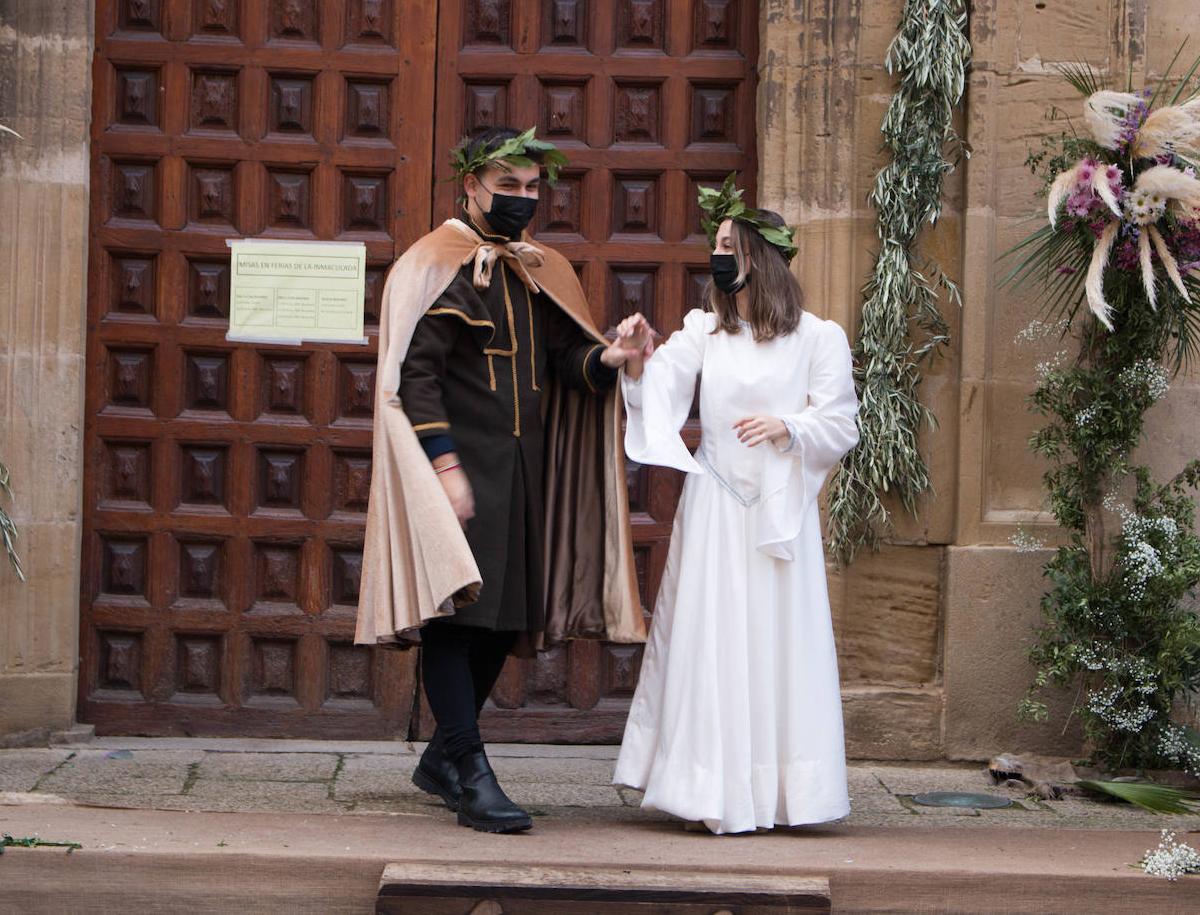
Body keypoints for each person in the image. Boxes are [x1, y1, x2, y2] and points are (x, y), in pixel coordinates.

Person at [356, 126, 645, 834]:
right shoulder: (437, 263)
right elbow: (413, 381)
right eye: (505, 186)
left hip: (522, 477)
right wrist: (445, 472)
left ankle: (439, 760)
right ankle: (473, 774)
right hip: (458, 474)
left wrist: (609, 357)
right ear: (471, 186)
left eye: (529, 188)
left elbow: (564, 362)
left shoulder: (535, 266)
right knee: (454, 625)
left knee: (502, 623)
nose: (520, 199)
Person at [611, 176, 859, 834]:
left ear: (761, 256)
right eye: (715, 244)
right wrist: (636, 364)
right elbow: (658, 392)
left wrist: (791, 427)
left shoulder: (818, 338)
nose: (718, 255)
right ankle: (705, 789)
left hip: (779, 512)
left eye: (729, 244)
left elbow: (841, 423)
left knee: (781, 643)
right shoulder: (703, 333)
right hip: (717, 507)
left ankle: (782, 794)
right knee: (710, 640)